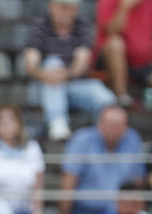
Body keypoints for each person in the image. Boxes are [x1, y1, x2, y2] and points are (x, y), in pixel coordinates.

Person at [23, 0, 116, 142]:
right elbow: (30, 63)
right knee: (52, 63)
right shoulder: (40, 25)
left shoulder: (82, 25)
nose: (66, 11)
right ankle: (57, 121)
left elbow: (82, 61)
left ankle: (103, 134)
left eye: (70, 8)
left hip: (74, 85)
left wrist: (64, 74)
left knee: (106, 98)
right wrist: (46, 75)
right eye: (62, 7)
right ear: (51, 7)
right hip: (42, 87)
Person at [59, 103, 145, 214]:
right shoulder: (81, 140)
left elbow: (138, 182)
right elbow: (68, 183)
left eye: (118, 125)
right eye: (110, 124)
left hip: (123, 213)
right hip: (86, 212)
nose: (114, 129)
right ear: (99, 124)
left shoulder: (133, 140)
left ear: (125, 127)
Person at [95, 0, 152, 111]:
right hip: (114, 62)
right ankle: (122, 97)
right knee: (115, 44)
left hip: (145, 64)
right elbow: (111, 31)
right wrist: (124, 8)